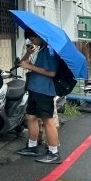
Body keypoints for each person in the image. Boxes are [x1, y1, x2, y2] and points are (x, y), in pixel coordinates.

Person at [16, 28, 62, 164]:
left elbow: (51, 73)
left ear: (39, 36)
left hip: (44, 90)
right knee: (30, 117)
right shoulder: (39, 49)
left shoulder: (49, 50)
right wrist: (28, 54)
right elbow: (23, 63)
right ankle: (32, 146)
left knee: (47, 120)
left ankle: (54, 152)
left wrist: (31, 67)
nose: (32, 41)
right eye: (30, 40)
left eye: (33, 39)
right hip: (34, 89)